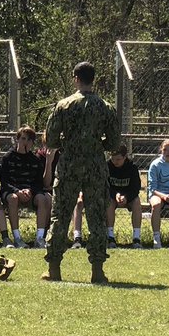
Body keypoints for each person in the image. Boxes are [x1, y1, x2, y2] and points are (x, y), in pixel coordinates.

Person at [42, 61, 121, 284]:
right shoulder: (105, 107)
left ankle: (54, 268)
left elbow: (51, 138)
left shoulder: (64, 105)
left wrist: (70, 142)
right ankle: (97, 270)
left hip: (69, 165)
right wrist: (97, 146)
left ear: (76, 78)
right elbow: (115, 141)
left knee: (61, 215)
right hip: (95, 166)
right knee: (96, 216)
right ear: (92, 79)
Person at [0, 126, 51, 248]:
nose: (25, 142)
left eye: (29, 140)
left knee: (43, 198)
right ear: (17, 139)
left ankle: (39, 238)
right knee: (13, 198)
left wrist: (30, 190)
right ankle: (17, 239)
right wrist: (17, 191)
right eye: (23, 138)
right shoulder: (8, 157)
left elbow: (38, 182)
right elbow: (4, 181)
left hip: (30, 192)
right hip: (11, 191)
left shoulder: (35, 160)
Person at [106, 145, 142, 248]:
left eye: (118, 159)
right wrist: (115, 194)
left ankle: (136, 238)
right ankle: (110, 237)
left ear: (125, 157)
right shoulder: (107, 166)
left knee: (136, 202)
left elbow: (136, 188)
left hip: (128, 196)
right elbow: (105, 186)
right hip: (113, 196)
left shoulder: (132, 167)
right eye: (113, 159)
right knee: (109, 202)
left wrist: (126, 197)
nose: (115, 162)